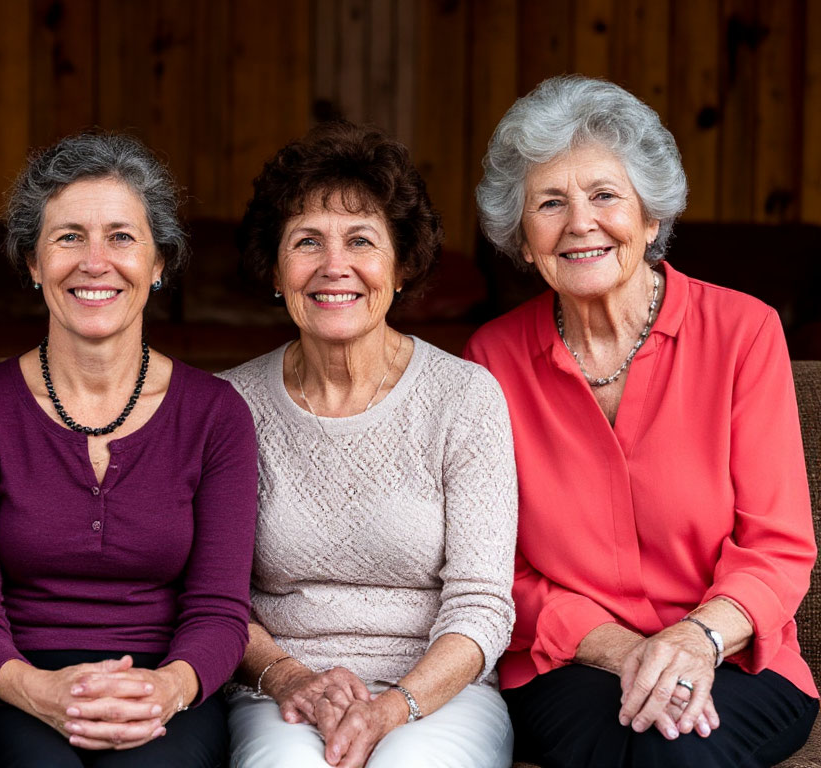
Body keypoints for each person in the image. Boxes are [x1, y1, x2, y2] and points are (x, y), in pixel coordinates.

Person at [463, 75, 819, 767]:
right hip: (569, 664)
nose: (580, 222)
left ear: (651, 217)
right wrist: (631, 652)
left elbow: (778, 547)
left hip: (737, 655)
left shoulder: (744, 333)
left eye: (604, 195)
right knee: (648, 739)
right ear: (523, 238)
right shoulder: (491, 361)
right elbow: (496, 569)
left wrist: (693, 643)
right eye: (550, 203)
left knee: (677, 744)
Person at [0, 132, 258, 768]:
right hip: (14, 680)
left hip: (164, 681)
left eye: (121, 236)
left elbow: (221, 609)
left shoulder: (216, 415)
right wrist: (38, 689)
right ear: (33, 262)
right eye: (68, 237)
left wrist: (168, 688)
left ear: (159, 262)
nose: (95, 260)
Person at [221, 121, 517, 768]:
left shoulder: (465, 399)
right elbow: (215, 597)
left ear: (401, 266)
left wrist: (394, 706)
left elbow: (483, 605)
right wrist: (292, 680)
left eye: (361, 240)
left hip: (439, 697)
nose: (335, 267)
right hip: (280, 693)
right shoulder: (228, 408)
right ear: (274, 269)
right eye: (306, 243)